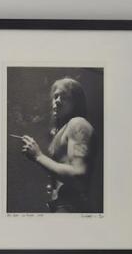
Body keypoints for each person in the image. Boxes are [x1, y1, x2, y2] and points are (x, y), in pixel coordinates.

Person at [19, 77, 99, 213]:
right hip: (63, 208)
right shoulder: (65, 129)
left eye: (65, 97)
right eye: (55, 96)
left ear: (76, 102)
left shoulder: (78, 124)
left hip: (73, 209)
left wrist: (38, 156)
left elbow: (78, 175)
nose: (57, 101)